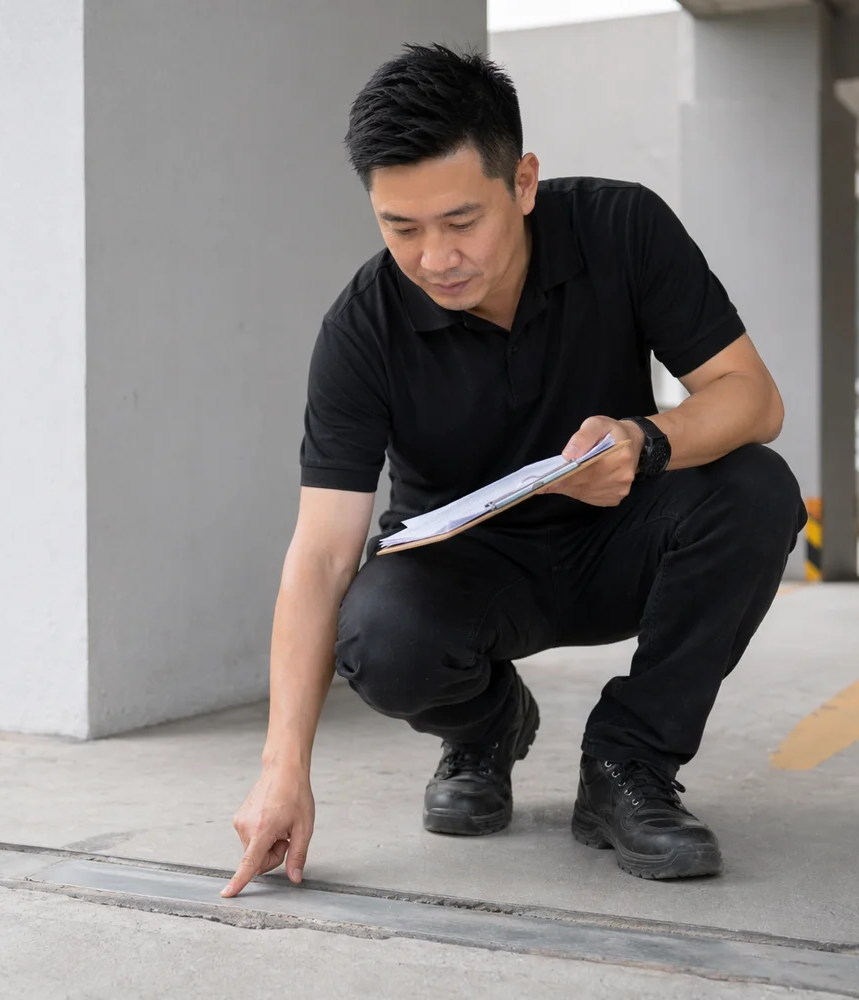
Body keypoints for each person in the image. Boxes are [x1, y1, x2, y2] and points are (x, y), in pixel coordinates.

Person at [223, 44, 804, 897]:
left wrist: (648, 439)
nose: (435, 258)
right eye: (401, 228)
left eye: (462, 222)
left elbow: (753, 398)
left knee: (758, 490)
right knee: (377, 635)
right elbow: (320, 552)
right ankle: (489, 727)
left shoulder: (623, 230)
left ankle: (627, 764)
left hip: (618, 535)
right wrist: (282, 769)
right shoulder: (361, 329)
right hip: (470, 580)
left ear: (524, 183)